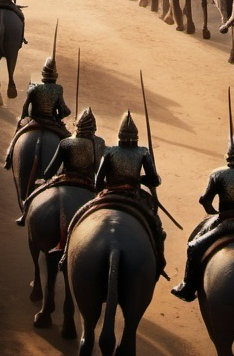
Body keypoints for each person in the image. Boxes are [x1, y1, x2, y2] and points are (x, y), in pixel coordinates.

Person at [60, 110, 166, 277]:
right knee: (157, 227)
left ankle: (66, 254)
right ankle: (159, 261)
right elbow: (154, 181)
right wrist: (140, 179)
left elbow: (97, 182)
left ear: (120, 136)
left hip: (109, 193)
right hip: (135, 196)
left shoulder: (110, 152)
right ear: (136, 137)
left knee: (77, 218)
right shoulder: (143, 152)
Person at [171, 133, 234, 303]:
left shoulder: (217, 175)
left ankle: (187, 287)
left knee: (194, 246)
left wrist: (213, 212)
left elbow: (205, 201)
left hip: (226, 223)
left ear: (227, 157)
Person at [15, 106, 105, 226]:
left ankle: (25, 212)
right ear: (94, 129)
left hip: (64, 179)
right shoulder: (99, 142)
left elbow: (49, 172)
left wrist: (49, 177)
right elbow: (98, 169)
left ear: (78, 126)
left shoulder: (65, 142)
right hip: (88, 183)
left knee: (33, 197)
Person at [4, 55, 71, 169]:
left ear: (43, 73)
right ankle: (69, 168)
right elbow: (63, 110)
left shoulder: (33, 89)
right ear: (55, 75)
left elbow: (25, 108)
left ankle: (9, 157)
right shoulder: (58, 89)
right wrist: (61, 115)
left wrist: (22, 120)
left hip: (35, 121)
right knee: (69, 143)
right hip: (52, 123)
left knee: (16, 136)